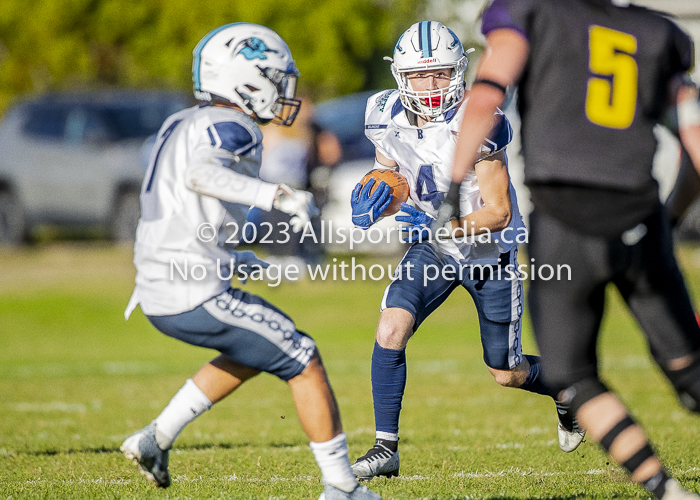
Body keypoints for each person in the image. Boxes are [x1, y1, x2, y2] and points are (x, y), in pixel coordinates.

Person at [438, 1, 700, 498]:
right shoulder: (657, 31)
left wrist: (455, 181)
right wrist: (668, 216)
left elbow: (490, 89)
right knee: (690, 374)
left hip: (564, 221)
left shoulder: (533, 12)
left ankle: (664, 488)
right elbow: (694, 139)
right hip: (639, 216)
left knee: (573, 376)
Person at [120, 23, 381, 500]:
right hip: (188, 290)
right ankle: (342, 488)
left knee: (255, 351)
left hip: (163, 283)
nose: (284, 91)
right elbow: (202, 176)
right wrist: (279, 196)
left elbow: (185, 212)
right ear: (248, 80)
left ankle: (154, 440)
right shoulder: (233, 125)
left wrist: (245, 261)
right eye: (276, 78)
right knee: (302, 356)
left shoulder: (181, 122)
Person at [348, 20, 584, 482]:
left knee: (506, 370)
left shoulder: (479, 119)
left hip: (489, 254)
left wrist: (442, 225)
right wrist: (373, 199)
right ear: (402, 76)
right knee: (391, 328)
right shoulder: (382, 113)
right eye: (421, 75)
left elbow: (496, 212)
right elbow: (389, 173)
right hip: (433, 251)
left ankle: (566, 390)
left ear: (457, 72)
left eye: (440, 74)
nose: (431, 85)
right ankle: (385, 449)